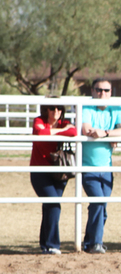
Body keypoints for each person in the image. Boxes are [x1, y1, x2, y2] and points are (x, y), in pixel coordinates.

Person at [79, 80, 121, 254]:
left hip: (107, 168)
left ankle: (89, 241)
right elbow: (86, 129)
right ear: (92, 91)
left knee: (101, 206)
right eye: (99, 90)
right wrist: (106, 134)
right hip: (87, 167)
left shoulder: (116, 108)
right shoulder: (86, 107)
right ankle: (96, 243)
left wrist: (106, 133)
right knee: (98, 202)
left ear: (111, 91)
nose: (102, 93)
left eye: (106, 90)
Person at [30, 105, 78, 254]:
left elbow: (74, 131)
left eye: (59, 108)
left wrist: (54, 132)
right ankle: (52, 245)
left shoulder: (65, 122)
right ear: (46, 110)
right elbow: (40, 132)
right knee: (53, 204)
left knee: (50, 206)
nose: (56, 111)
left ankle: (45, 244)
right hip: (40, 171)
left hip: (59, 171)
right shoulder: (39, 120)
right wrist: (59, 132)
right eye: (52, 108)